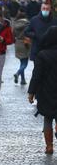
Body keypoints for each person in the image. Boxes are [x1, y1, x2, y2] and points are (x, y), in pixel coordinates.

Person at [28, 27, 57, 155]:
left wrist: (31, 92)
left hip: (46, 92)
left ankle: (49, 146)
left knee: (47, 119)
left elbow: (36, 75)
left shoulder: (42, 55)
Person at [12, 10, 31, 85]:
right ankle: (18, 73)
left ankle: (22, 80)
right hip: (25, 43)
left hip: (18, 43)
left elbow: (13, 34)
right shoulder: (27, 24)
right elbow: (30, 33)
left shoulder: (15, 24)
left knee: (21, 62)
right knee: (25, 63)